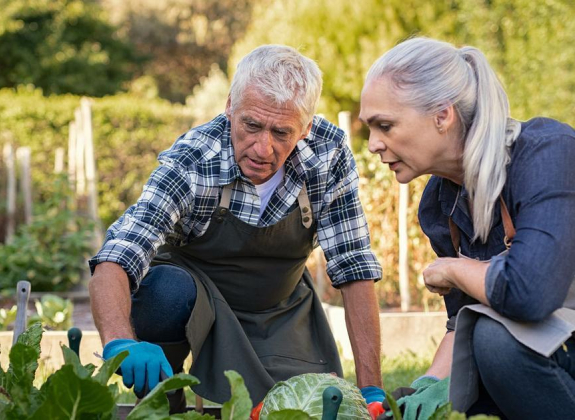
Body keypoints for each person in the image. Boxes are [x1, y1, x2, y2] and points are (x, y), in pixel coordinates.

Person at [360, 37, 575, 420]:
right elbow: (464, 322)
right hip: (571, 352)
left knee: (498, 342)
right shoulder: (439, 203)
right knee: (474, 363)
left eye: (385, 126)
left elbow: (530, 293)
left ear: (442, 115)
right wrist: (424, 395)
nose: (373, 144)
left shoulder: (550, 155)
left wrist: (453, 269)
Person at [88, 44, 387, 414]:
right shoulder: (194, 159)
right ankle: (164, 403)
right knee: (163, 293)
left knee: (294, 409)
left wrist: (372, 389)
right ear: (230, 106)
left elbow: (353, 264)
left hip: (280, 307)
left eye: (281, 132)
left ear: (306, 127)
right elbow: (119, 253)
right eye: (251, 125)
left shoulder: (328, 153)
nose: (263, 148)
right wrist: (120, 342)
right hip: (197, 301)